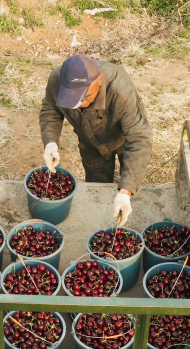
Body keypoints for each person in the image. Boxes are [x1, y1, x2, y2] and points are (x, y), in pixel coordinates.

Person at [39, 55, 152, 226]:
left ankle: (124, 208)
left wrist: (126, 190)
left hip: (122, 138)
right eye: (73, 99)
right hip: (90, 141)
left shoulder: (119, 89)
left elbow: (138, 138)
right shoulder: (58, 80)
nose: (80, 105)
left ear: (99, 80)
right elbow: (50, 110)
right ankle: (98, 221)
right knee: (96, 182)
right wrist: (50, 142)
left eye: (85, 97)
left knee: (128, 180)